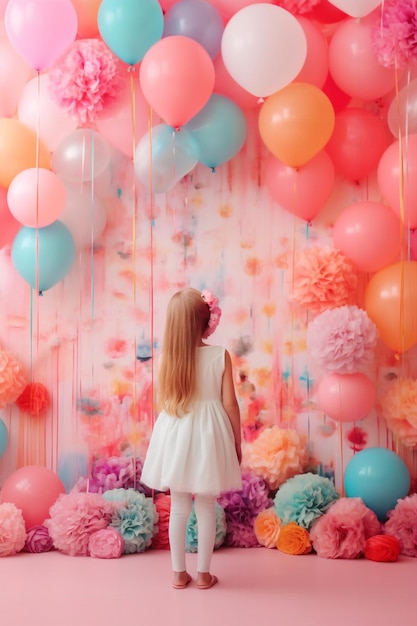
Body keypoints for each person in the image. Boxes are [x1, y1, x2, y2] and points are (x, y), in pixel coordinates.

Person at [141, 287, 242, 590]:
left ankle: (177, 574)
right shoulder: (219, 355)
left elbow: (165, 402)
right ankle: (204, 575)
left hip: (176, 432)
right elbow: (230, 404)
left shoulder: (166, 360)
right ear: (206, 321)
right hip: (210, 434)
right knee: (206, 507)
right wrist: (236, 442)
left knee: (180, 506)